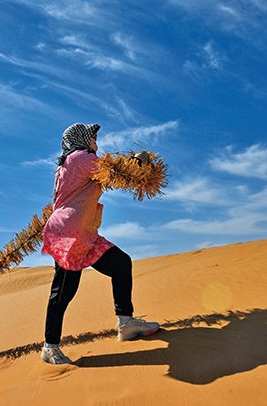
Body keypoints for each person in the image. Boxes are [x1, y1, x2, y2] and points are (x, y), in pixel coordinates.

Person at [40, 123, 159, 365]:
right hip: (70, 234)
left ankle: (125, 322)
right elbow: (115, 172)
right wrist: (137, 163)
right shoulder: (80, 157)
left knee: (121, 264)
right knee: (64, 291)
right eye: (93, 136)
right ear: (82, 139)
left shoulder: (71, 163)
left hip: (85, 233)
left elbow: (106, 173)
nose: (96, 141)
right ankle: (50, 347)